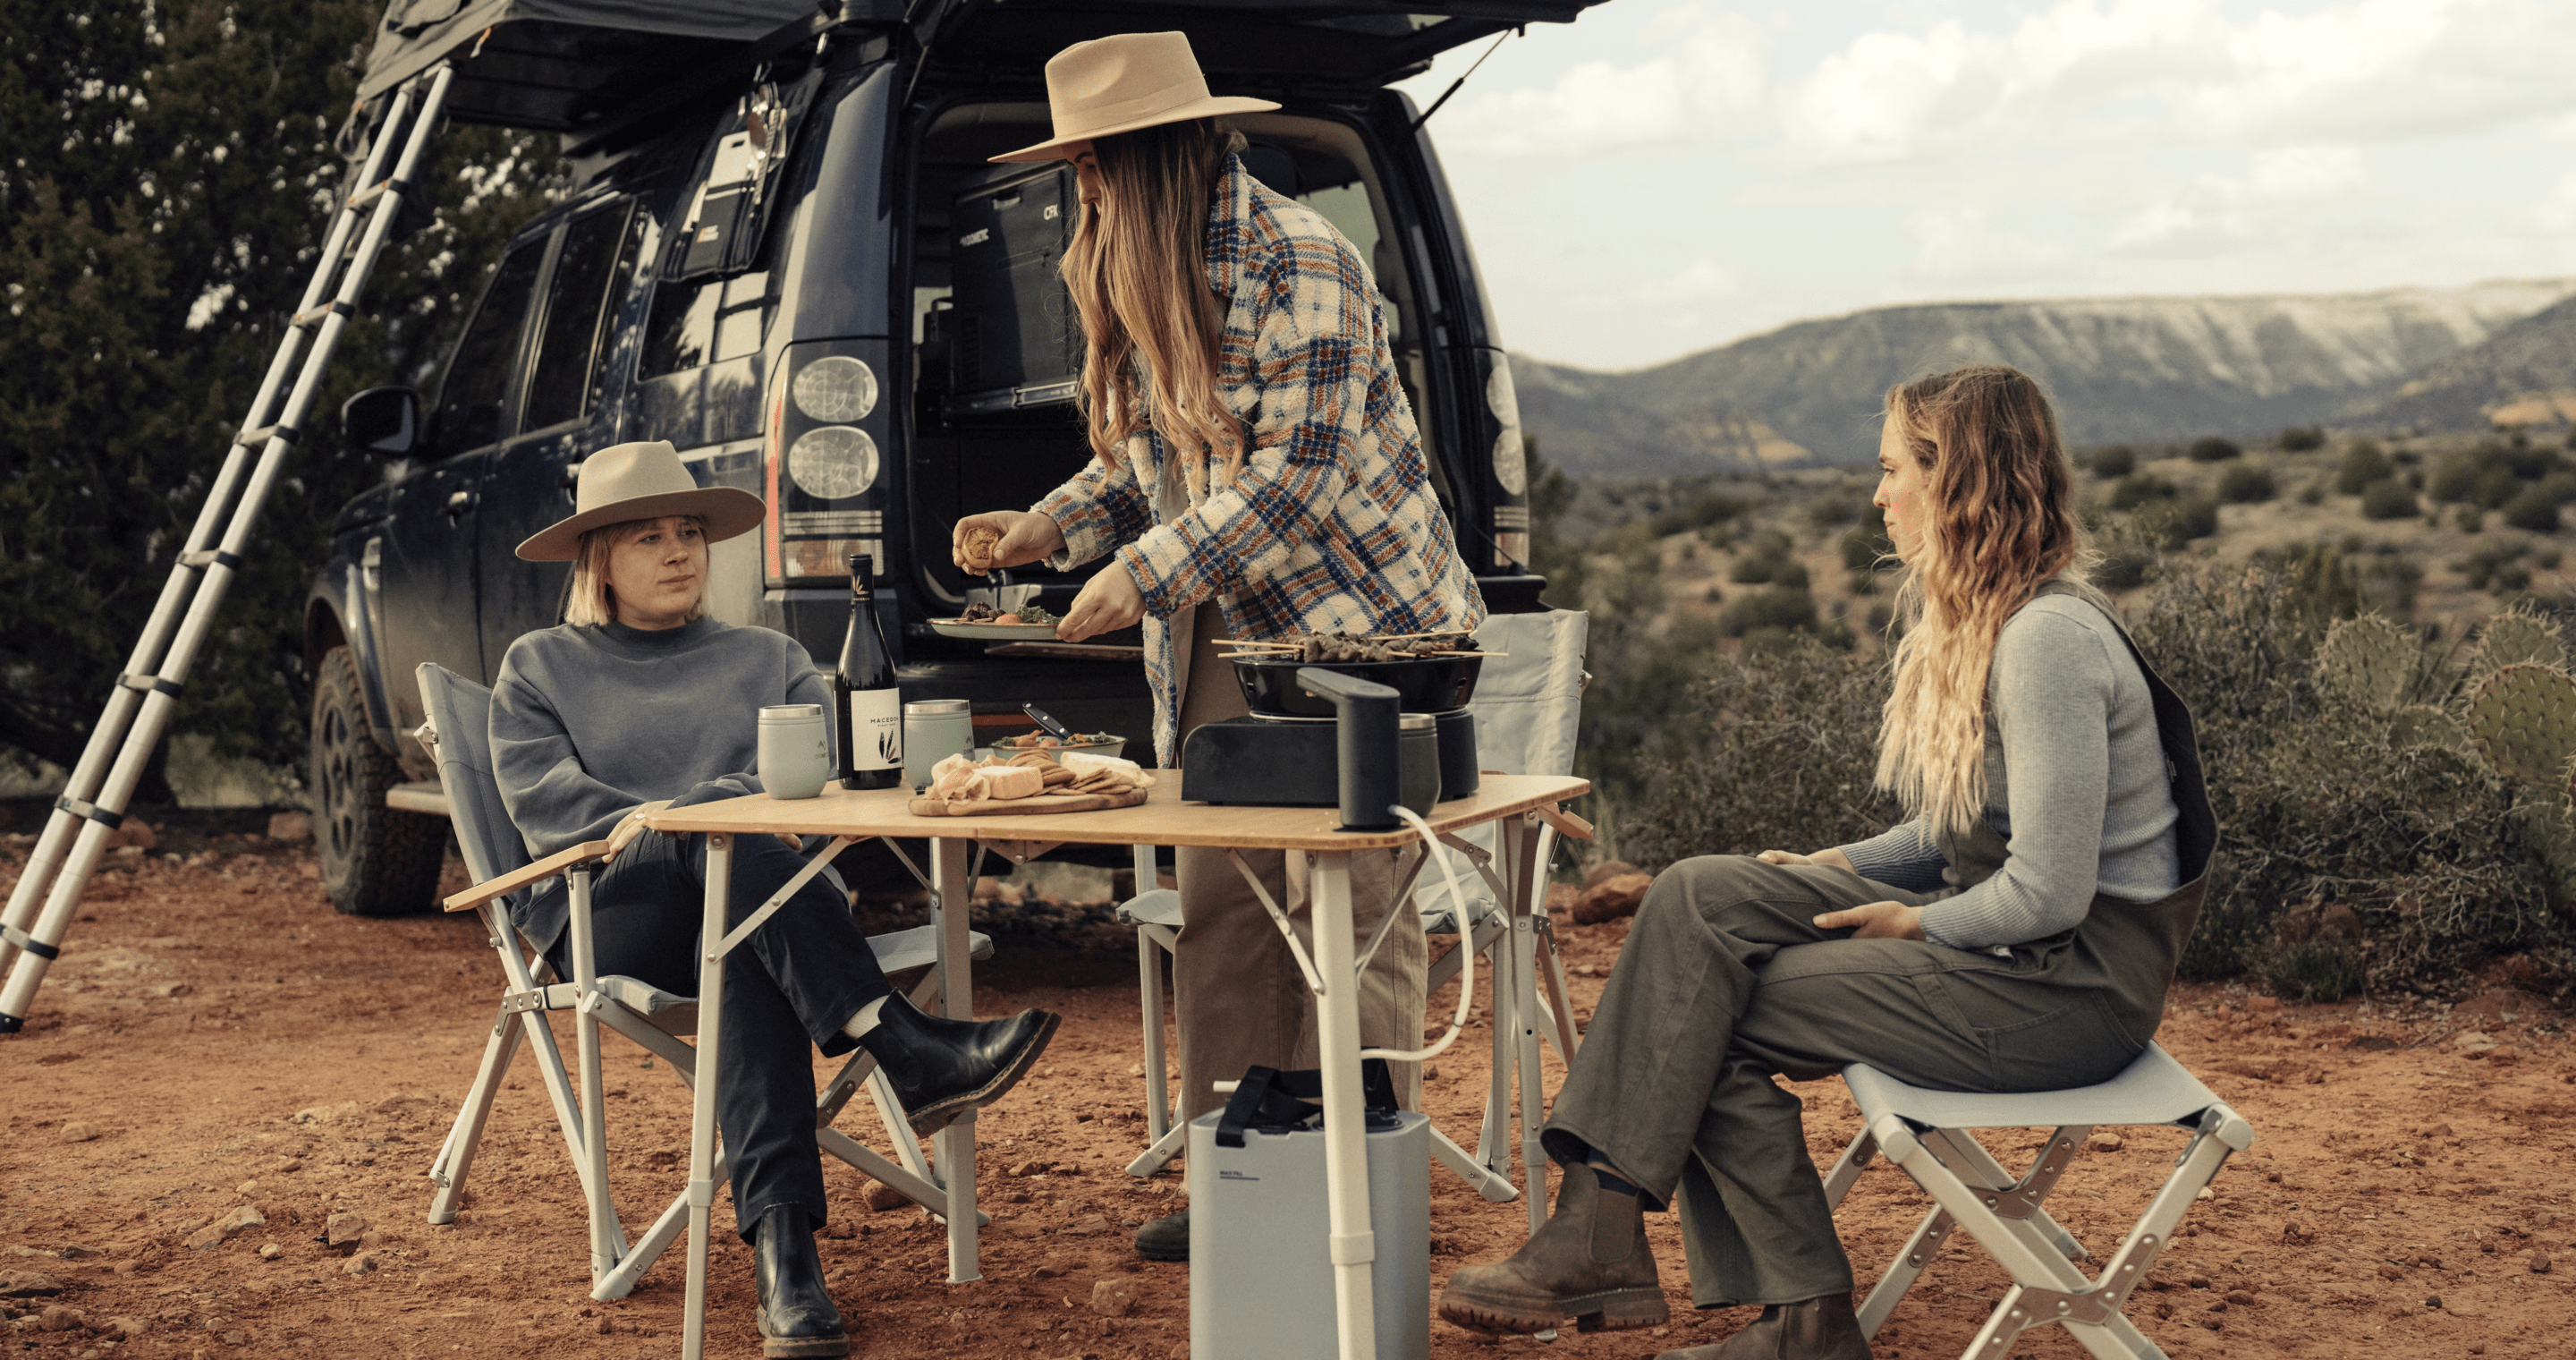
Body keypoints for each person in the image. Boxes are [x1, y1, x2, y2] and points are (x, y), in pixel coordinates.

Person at [1436, 365, 2216, 1360]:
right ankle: (1611, 1234)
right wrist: (1830, 863)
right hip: (2010, 947)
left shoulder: (2047, 641)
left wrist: (1914, 920)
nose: (1877, 494)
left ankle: (1783, 1309)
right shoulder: (1993, 617)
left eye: (1894, 470)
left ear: (1961, 480)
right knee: (1698, 896)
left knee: (1706, 1011)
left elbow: (2051, 890)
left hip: (2070, 989)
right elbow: (1949, 834)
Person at [948, 30, 1485, 1262]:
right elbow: (1147, 457)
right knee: (1225, 905)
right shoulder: (1153, 273)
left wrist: (1133, 576)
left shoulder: (1306, 263)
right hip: (1227, 624)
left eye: (1088, 165)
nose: (1076, 189)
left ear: (1144, 161)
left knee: (1347, 905)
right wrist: (1046, 529)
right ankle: (1245, 1172)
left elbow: (1297, 484)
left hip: (1366, 640)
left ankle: (1361, 1168)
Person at [491, 440, 1060, 1359]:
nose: (679, 552)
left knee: (747, 938)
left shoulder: (771, 655)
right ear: (599, 556)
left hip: (759, 909)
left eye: (689, 532)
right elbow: (547, 803)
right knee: (726, 844)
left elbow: (824, 774)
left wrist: (731, 818)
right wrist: (701, 812)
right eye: (648, 537)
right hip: (619, 911)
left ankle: (787, 1257)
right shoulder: (542, 665)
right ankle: (903, 1044)